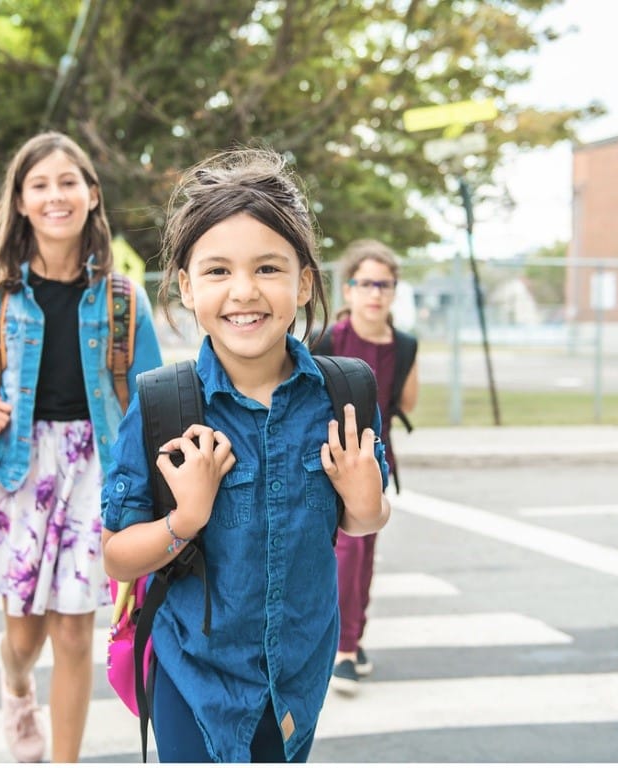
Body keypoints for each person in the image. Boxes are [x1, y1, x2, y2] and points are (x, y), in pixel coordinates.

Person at [100, 148, 391, 763]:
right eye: (216, 271)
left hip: (297, 679)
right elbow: (119, 558)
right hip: (192, 676)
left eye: (267, 268)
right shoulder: (163, 405)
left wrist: (367, 500)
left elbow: (362, 521)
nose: (243, 291)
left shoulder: (344, 394)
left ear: (304, 281)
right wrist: (186, 518)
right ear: (185, 286)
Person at [0, 131, 163, 763]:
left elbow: (151, 396)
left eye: (67, 182)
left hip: (94, 472)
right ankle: (17, 682)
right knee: (24, 639)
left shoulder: (122, 298)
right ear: (22, 201)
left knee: (76, 634)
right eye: (40, 185)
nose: (56, 196)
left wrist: (152, 487)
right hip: (15, 468)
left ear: (92, 195)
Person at [320, 239, 419, 695]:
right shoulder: (328, 339)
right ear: (349, 289)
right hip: (328, 460)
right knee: (346, 551)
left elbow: (407, 401)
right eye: (365, 283)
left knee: (364, 556)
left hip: (376, 462)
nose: (375, 293)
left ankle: (353, 642)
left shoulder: (403, 345)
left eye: (384, 284)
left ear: (394, 291)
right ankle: (341, 649)